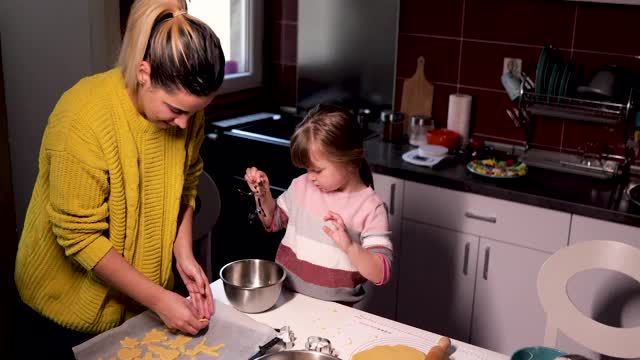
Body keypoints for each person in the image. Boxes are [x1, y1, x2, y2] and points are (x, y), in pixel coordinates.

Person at [13, 0, 225, 357]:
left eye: (194, 112)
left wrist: (183, 252)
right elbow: (79, 236)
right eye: (175, 110)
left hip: (143, 307)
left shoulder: (185, 115)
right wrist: (159, 298)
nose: (184, 125)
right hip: (63, 312)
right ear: (143, 72)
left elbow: (187, 182)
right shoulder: (82, 118)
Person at [244, 104, 392, 305]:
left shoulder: (370, 208)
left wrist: (349, 247)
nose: (310, 177)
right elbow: (272, 222)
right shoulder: (300, 186)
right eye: (307, 169)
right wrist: (262, 194)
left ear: (350, 161)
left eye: (317, 170)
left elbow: (380, 273)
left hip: (338, 311)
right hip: (286, 298)